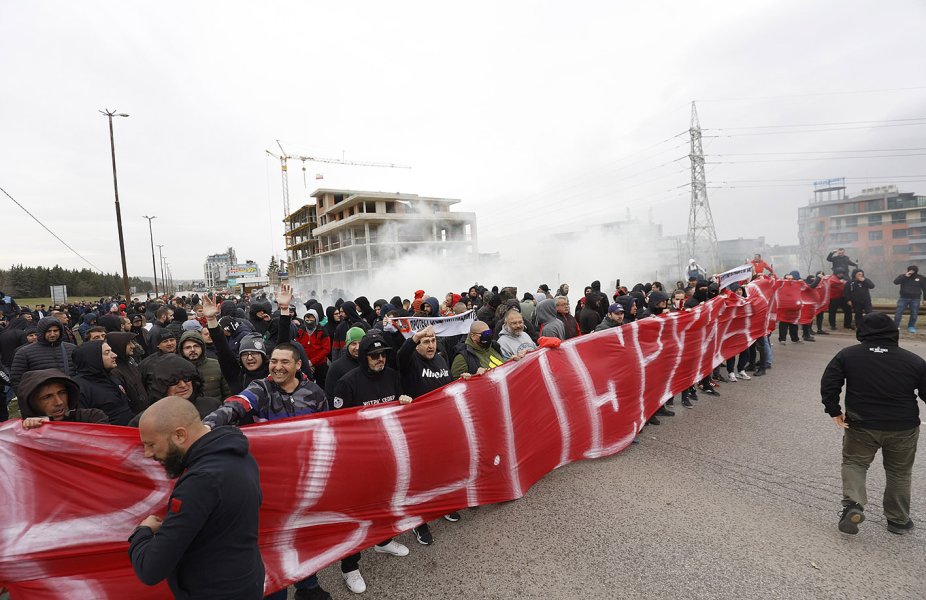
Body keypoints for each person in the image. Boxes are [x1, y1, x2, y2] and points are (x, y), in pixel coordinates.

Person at [129, 397, 265, 599]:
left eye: (151, 444)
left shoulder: (201, 481)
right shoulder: (240, 455)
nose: (148, 454)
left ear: (179, 435)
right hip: (246, 580)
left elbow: (151, 569)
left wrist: (142, 532)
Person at [820, 313, 926, 536]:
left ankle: (853, 506)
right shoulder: (913, 360)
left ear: (863, 331)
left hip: (861, 424)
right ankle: (898, 521)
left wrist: (834, 410)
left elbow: (830, 382)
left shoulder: (848, 355)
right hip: (903, 427)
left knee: (855, 463)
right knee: (899, 472)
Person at [330, 332, 413, 594]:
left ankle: (384, 540)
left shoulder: (393, 376)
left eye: (383, 354)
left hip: (388, 454)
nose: (380, 359)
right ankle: (349, 566)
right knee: (358, 514)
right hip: (358, 460)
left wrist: (405, 403)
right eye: (374, 355)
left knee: (387, 501)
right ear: (363, 357)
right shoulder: (347, 383)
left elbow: (402, 408)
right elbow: (338, 425)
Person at [17, 368, 108, 428]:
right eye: (47, 397)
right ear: (32, 403)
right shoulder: (24, 430)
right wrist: (30, 432)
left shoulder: (91, 417)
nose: (59, 402)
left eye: (62, 393)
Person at [73, 340, 135, 426]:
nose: (114, 355)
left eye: (111, 351)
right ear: (93, 358)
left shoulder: (111, 376)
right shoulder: (79, 387)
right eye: (107, 353)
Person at [9, 316, 77, 394]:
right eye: (48, 331)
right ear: (41, 332)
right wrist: (29, 399)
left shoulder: (72, 349)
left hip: (69, 396)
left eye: (55, 331)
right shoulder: (24, 353)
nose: (52, 334)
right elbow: (16, 380)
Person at [893, 265, 926, 333]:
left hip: (915, 299)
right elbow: (895, 282)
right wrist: (905, 276)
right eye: (910, 270)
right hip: (903, 298)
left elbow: (925, 289)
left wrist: (925, 299)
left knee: (914, 313)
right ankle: (895, 326)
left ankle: (911, 326)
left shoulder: (921, 277)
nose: (911, 272)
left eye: (913, 270)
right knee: (898, 313)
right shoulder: (903, 276)